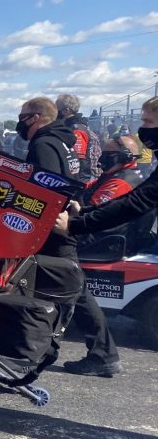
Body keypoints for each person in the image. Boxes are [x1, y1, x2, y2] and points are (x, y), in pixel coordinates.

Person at [18, 97, 99, 361]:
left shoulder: (43, 143)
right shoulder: (63, 141)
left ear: (37, 117)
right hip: (63, 220)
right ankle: (41, 344)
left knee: (74, 289)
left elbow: (48, 187)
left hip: (56, 226)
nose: (20, 121)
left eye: (23, 116)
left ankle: (102, 353)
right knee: (64, 286)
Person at [62, 135, 150, 376]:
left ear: (123, 157)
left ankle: (101, 354)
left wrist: (72, 219)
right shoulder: (113, 176)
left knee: (58, 267)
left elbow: (98, 212)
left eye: (108, 154)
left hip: (104, 239)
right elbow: (85, 192)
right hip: (103, 235)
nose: (102, 158)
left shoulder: (122, 181)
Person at [56, 96, 158, 269]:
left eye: (148, 122)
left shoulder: (122, 180)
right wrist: (85, 211)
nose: (142, 128)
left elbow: (134, 203)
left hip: (113, 245)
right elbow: (136, 197)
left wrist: (75, 225)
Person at [56, 94, 102, 184]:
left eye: (56, 109)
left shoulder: (77, 130)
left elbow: (78, 160)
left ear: (66, 111)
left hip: (81, 179)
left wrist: (76, 183)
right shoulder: (71, 127)